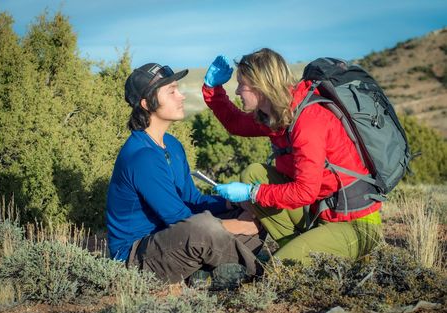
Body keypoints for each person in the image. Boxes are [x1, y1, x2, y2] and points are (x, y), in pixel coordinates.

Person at [202, 49, 383, 264]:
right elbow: (236, 123)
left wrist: (252, 193)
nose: (239, 91)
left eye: (242, 84)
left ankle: (303, 255)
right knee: (254, 173)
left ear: (261, 85)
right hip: (321, 213)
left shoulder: (307, 120)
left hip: (354, 224)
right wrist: (213, 89)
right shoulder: (279, 115)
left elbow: (305, 192)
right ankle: (299, 248)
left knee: (279, 269)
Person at [105, 62, 263, 287]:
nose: (181, 96)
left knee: (251, 208)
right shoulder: (142, 157)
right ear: (146, 103)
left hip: (173, 241)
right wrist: (240, 225)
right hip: (136, 257)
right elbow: (181, 219)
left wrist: (232, 205)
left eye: (178, 89)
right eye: (171, 91)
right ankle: (258, 267)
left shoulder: (171, 144)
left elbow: (194, 200)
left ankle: (207, 274)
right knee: (205, 228)